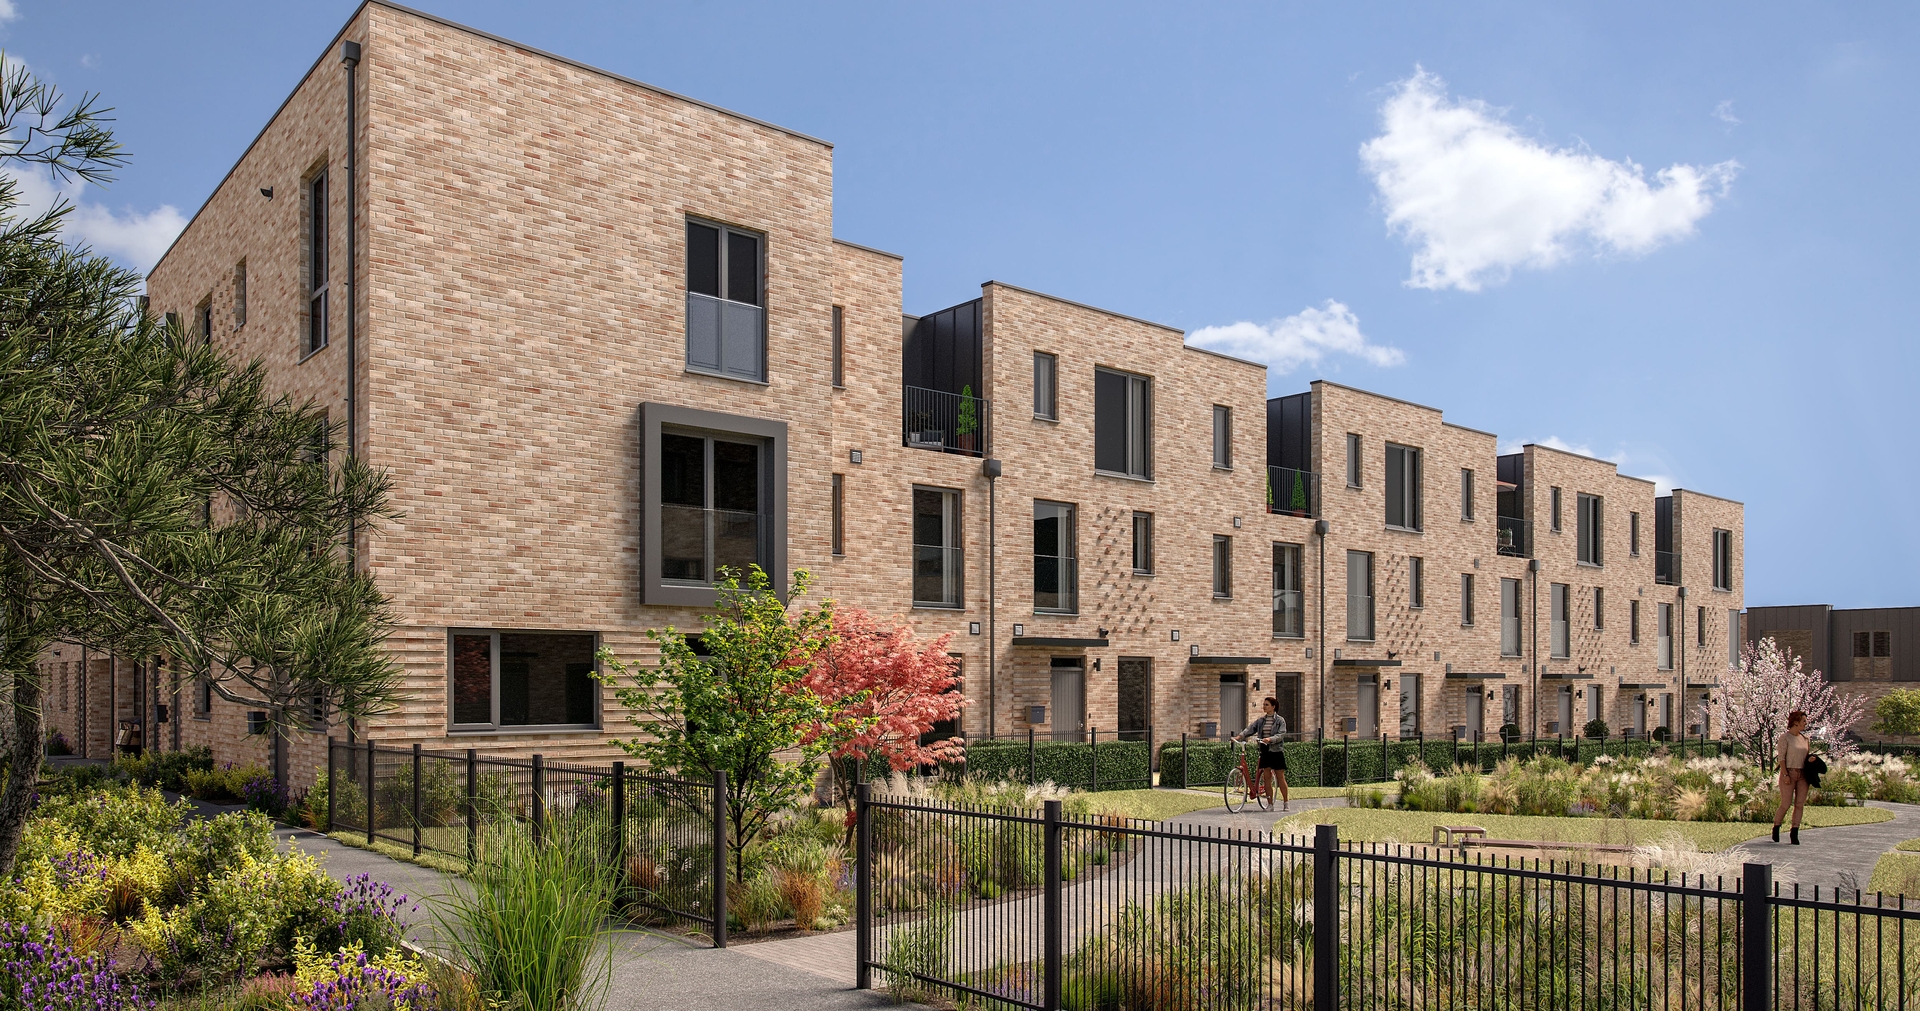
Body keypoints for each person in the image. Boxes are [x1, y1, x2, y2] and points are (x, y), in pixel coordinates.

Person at [1232, 697, 1291, 810]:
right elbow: (1250, 729)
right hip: (1265, 750)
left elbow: (1281, 734)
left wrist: (1270, 739)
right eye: (1264, 704)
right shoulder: (1261, 721)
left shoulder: (1280, 720)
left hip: (1276, 751)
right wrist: (1239, 736)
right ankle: (1270, 804)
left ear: (1273, 707)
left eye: (1266, 705)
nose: (1264, 706)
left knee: (1280, 777)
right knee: (1266, 777)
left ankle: (1286, 802)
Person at [1772, 710, 1811, 845]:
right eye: (1803, 721)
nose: (1806, 724)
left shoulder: (1805, 739)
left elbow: (1806, 757)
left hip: (1803, 775)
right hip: (1789, 772)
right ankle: (1776, 826)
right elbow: (1781, 758)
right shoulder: (1785, 738)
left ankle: (1794, 831)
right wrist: (1785, 774)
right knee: (1786, 803)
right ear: (1795, 722)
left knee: (1799, 804)